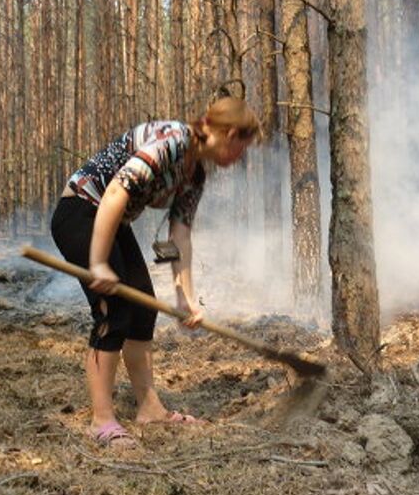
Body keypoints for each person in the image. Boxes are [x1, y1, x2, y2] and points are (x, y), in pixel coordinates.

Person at [51, 97, 261, 447]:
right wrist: (100, 261)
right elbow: (116, 191)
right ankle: (101, 421)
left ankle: (150, 409)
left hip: (112, 221)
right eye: (241, 147)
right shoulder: (172, 141)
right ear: (230, 133)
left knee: (144, 308)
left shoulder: (194, 173)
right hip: (82, 211)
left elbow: (179, 234)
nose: (240, 158)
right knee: (113, 311)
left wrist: (186, 298)